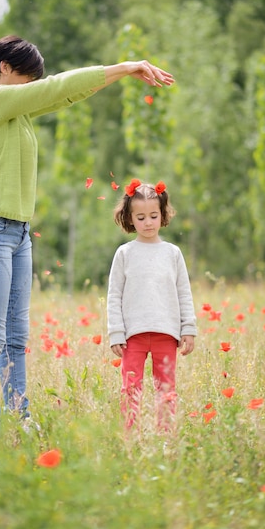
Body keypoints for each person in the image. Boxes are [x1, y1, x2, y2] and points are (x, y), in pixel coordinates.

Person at [0, 35, 174, 422]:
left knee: (15, 338)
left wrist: (117, 77)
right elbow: (56, 88)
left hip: (18, 235)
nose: (32, 87)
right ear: (5, 68)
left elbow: (66, 95)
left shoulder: (18, 112)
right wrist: (126, 66)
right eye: (28, 78)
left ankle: (18, 419)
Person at [107, 179, 197, 429]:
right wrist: (116, 331)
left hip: (166, 333)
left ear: (163, 215)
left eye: (153, 216)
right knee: (130, 387)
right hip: (132, 336)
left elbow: (183, 292)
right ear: (130, 218)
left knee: (166, 387)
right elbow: (114, 295)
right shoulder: (124, 254)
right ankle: (130, 434)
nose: (148, 222)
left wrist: (187, 328)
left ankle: (165, 436)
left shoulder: (172, 253)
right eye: (141, 217)